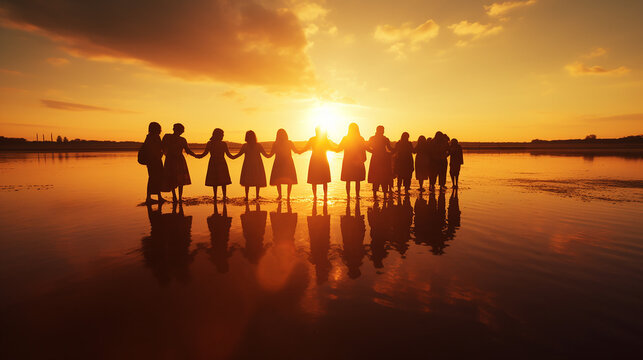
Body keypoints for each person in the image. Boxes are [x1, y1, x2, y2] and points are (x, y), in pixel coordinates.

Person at [231, 130, 272, 201]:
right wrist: (274, 152)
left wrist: (229, 156)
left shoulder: (245, 146)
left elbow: (237, 156)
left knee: (247, 181)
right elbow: (267, 156)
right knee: (257, 181)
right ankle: (257, 196)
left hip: (248, 165)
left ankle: (247, 196)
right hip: (257, 165)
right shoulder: (258, 145)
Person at [162, 123, 198, 203]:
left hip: (177, 159)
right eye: (181, 130)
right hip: (172, 160)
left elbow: (187, 150)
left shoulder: (182, 139)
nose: (181, 132)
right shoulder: (168, 137)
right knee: (173, 178)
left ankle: (179, 197)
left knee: (179, 179)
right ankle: (175, 196)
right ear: (175, 129)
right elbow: (162, 147)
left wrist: (196, 156)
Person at [300, 127, 337, 200]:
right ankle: (325, 196)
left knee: (315, 180)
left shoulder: (313, 139)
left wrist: (298, 151)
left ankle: (315, 197)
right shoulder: (324, 140)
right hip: (323, 160)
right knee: (324, 180)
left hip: (315, 160)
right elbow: (333, 148)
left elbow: (305, 149)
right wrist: (341, 148)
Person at [196, 128, 234, 200]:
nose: (223, 136)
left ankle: (217, 196)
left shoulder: (211, 143)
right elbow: (229, 155)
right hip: (220, 162)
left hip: (214, 162)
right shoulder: (221, 144)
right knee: (221, 180)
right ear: (218, 135)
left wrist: (197, 156)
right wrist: (236, 156)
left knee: (216, 181)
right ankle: (223, 196)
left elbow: (204, 154)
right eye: (222, 135)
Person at [336, 123, 368, 198]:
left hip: (348, 162)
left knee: (348, 180)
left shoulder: (346, 138)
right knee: (357, 180)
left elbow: (339, 149)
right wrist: (363, 159)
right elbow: (364, 150)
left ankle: (348, 196)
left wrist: (329, 147)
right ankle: (357, 195)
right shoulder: (360, 138)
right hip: (357, 161)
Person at [269, 129, 299, 200]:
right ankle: (288, 196)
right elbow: (296, 151)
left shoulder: (276, 143)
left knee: (279, 179)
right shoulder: (289, 142)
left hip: (278, 162)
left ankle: (280, 195)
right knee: (289, 180)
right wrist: (304, 150)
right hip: (288, 162)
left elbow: (270, 154)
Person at [367, 125, 393, 199]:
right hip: (382, 159)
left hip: (377, 158)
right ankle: (383, 196)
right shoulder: (384, 139)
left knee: (377, 177)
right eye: (382, 130)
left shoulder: (374, 138)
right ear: (379, 130)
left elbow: (367, 147)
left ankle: (376, 195)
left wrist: (372, 151)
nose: (383, 131)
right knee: (383, 176)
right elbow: (390, 149)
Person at [143, 122, 166, 203]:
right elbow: (152, 150)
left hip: (156, 160)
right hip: (153, 161)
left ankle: (159, 197)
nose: (160, 130)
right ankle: (149, 198)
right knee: (153, 178)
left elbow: (161, 147)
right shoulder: (150, 137)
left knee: (158, 178)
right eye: (159, 129)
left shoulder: (156, 137)